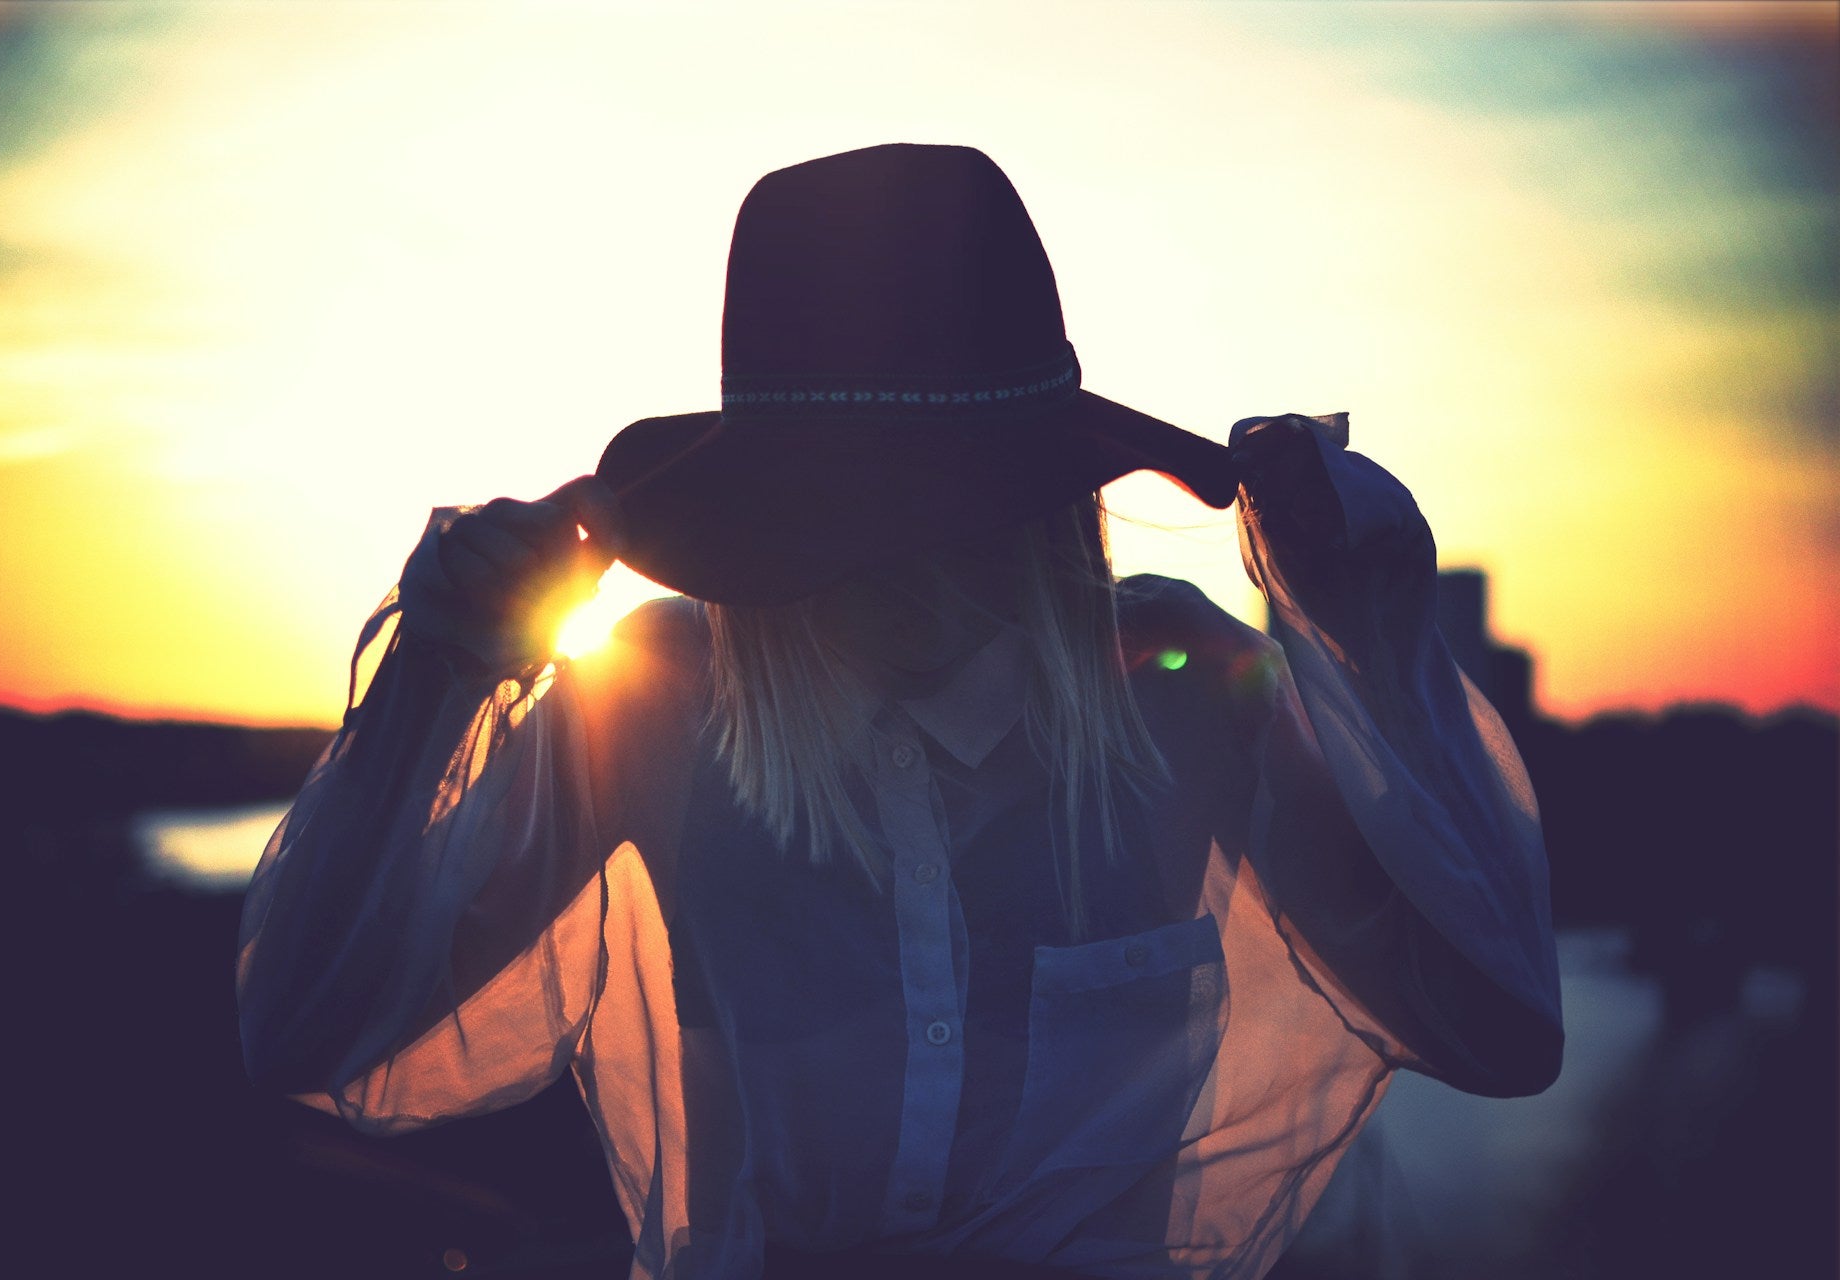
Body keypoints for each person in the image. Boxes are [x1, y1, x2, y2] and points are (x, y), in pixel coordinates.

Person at [237, 144, 1562, 1279]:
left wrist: (1364, 630)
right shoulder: (656, 707)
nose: (895, 565)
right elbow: (314, 1034)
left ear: (1040, 506)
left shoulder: (1189, 699)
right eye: (837, 515)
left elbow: (1498, 1031)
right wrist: (439, 672)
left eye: (948, 507)